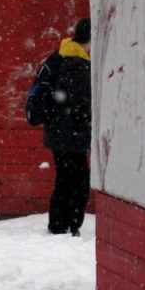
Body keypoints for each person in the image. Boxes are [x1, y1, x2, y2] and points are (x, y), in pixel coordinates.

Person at [38, 17, 92, 236]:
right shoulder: (77, 61)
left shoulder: (61, 55)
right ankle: (65, 225)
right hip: (70, 134)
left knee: (66, 179)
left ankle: (62, 224)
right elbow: (80, 104)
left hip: (60, 132)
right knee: (76, 182)